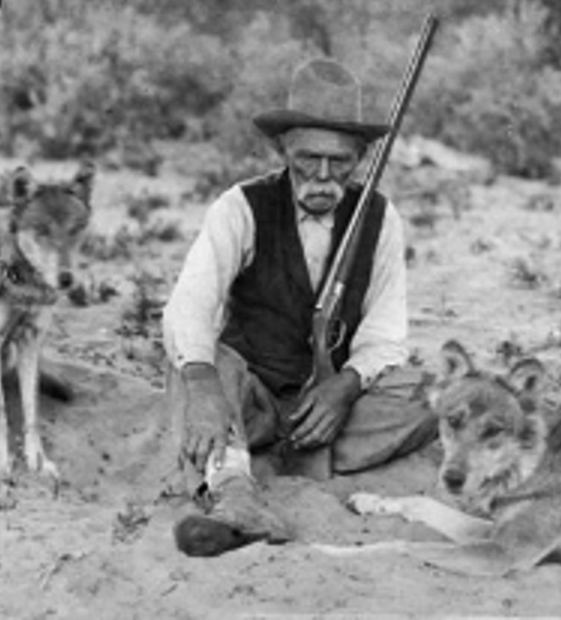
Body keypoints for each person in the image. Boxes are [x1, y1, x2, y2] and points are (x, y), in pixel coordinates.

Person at [161, 57, 437, 556]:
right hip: (252, 393)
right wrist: (204, 385)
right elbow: (189, 309)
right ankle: (237, 500)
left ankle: (254, 454)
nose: (324, 176)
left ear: (362, 156)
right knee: (200, 370)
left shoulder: (381, 218)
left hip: (330, 405)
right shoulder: (239, 207)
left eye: (341, 161)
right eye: (309, 158)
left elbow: (386, 334)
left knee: (430, 395)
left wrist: (345, 388)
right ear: (281, 148)